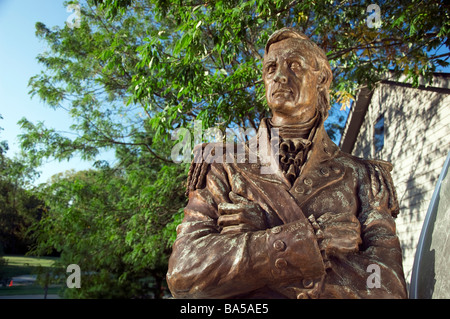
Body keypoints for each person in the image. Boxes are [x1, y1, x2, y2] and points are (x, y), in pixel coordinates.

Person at [166, 28, 408, 299]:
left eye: (294, 65)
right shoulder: (222, 163)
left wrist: (255, 244)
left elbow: (387, 287)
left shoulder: (364, 174)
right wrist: (310, 242)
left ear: (322, 78)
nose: (280, 76)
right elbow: (185, 275)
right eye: (271, 68)